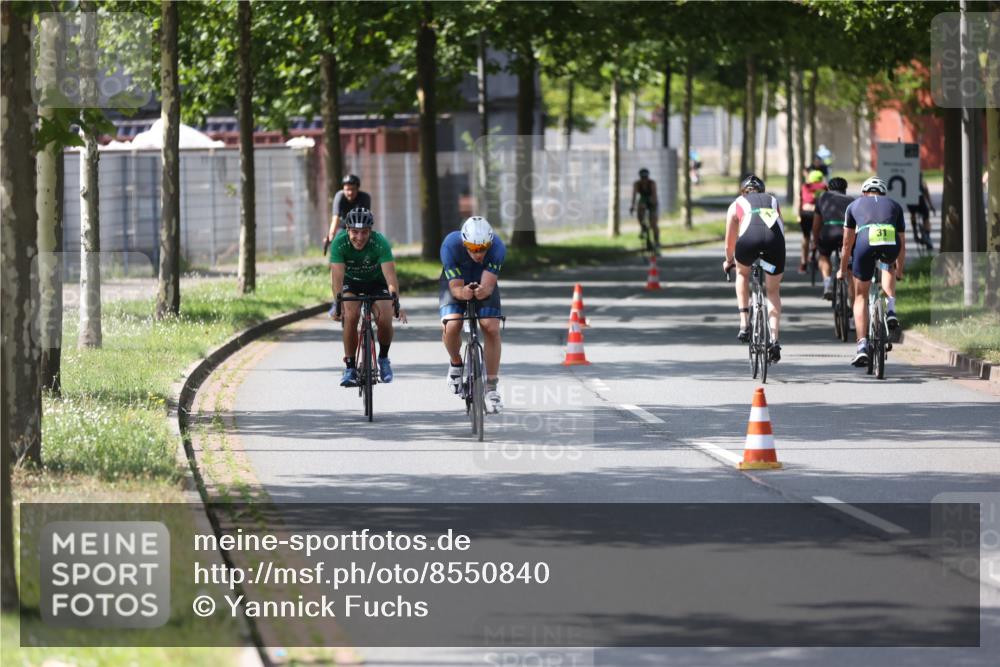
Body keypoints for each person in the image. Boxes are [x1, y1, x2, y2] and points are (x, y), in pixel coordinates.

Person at [329, 208, 407, 387]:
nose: (359, 237)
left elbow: (390, 277)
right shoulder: (339, 243)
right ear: (347, 229)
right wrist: (338, 304)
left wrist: (395, 301)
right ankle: (350, 368)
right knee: (351, 315)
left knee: (385, 317)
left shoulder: (380, 243)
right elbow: (337, 278)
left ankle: (384, 358)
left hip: (377, 282)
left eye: (364, 232)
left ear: (370, 231)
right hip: (351, 283)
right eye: (355, 232)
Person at [439, 216, 506, 414]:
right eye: (474, 249)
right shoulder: (450, 246)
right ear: (464, 242)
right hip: (455, 283)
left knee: (491, 327)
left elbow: (487, 288)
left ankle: (491, 387)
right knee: (452, 325)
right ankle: (456, 364)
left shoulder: (498, 248)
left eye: (484, 248)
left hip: (482, 282)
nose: (479, 254)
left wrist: (480, 291)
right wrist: (463, 293)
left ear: (490, 243)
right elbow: (456, 289)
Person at [837, 177, 906, 368]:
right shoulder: (895, 206)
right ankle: (891, 309)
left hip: (865, 240)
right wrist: (900, 270)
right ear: (883, 194)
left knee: (860, 296)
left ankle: (861, 347)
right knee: (888, 264)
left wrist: (842, 270)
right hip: (890, 241)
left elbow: (846, 243)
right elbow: (903, 244)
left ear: (864, 193)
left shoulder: (854, 205)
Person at [722, 174, 786, 363]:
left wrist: (729, 261)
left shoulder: (737, 203)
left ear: (743, 192)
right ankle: (774, 340)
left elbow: (729, 243)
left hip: (748, 242)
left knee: (742, 273)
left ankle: (744, 323)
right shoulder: (773, 200)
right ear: (762, 191)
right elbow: (781, 228)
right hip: (774, 245)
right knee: (773, 292)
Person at [811, 176, 854, 300]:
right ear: (845, 189)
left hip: (828, 232)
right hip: (846, 234)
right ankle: (852, 301)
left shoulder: (822, 198)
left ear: (828, 188)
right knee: (850, 267)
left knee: (824, 255)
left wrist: (815, 240)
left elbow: (816, 224)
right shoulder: (851, 200)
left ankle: (827, 283)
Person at [324, 174, 372, 246]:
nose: (350, 193)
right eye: (347, 190)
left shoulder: (365, 198)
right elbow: (335, 218)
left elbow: (366, 220)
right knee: (340, 237)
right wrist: (331, 236)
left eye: (352, 189)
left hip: (359, 227)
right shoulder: (339, 196)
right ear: (343, 189)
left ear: (357, 189)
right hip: (343, 227)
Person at [797, 169, 828, 273]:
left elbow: (800, 201)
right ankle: (817, 256)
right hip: (819, 214)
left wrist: (798, 214)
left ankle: (803, 263)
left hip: (806, 213)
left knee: (805, 237)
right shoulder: (824, 187)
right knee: (819, 236)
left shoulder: (805, 186)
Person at [629, 168, 660, 249]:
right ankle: (643, 227)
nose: (644, 180)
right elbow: (634, 196)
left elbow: (654, 195)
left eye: (645, 178)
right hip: (643, 199)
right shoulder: (637, 184)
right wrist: (632, 206)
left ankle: (657, 242)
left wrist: (653, 205)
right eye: (642, 178)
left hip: (651, 199)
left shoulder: (652, 183)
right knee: (640, 207)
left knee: (653, 223)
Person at [906, 172, 935, 250]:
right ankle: (927, 236)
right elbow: (925, 190)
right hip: (920, 199)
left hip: (910, 199)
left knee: (912, 214)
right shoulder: (919, 174)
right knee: (926, 216)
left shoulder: (907, 173)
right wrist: (931, 205)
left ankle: (915, 232)